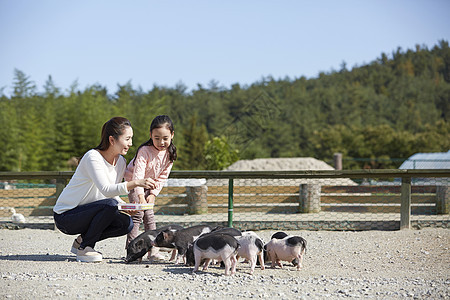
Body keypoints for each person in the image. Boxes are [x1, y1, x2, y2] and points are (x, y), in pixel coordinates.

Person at [53, 117, 156, 263]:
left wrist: (126, 206)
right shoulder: (93, 157)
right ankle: (86, 248)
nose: (131, 144)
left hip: (89, 212)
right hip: (66, 216)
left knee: (126, 223)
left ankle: (81, 242)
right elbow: (106, 190)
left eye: (131, 139)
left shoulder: (121, 162)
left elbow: (111, 194)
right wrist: (137, 182)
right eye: (127, 139)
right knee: (110, 206)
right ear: (112, 140)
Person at [124, 115, 177, 259]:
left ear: (172, 135)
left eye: (165, 138)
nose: (161, 142)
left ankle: (153, 251)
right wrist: (141, 196)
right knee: (138, 214)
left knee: (150, 216)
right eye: (157, 138)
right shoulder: (144, 151)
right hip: (134, 184)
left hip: (150, 185)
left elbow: (162, 177)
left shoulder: (169, 154)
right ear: (151, 135)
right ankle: (132, 250)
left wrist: (153, 194)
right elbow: (137, 176)